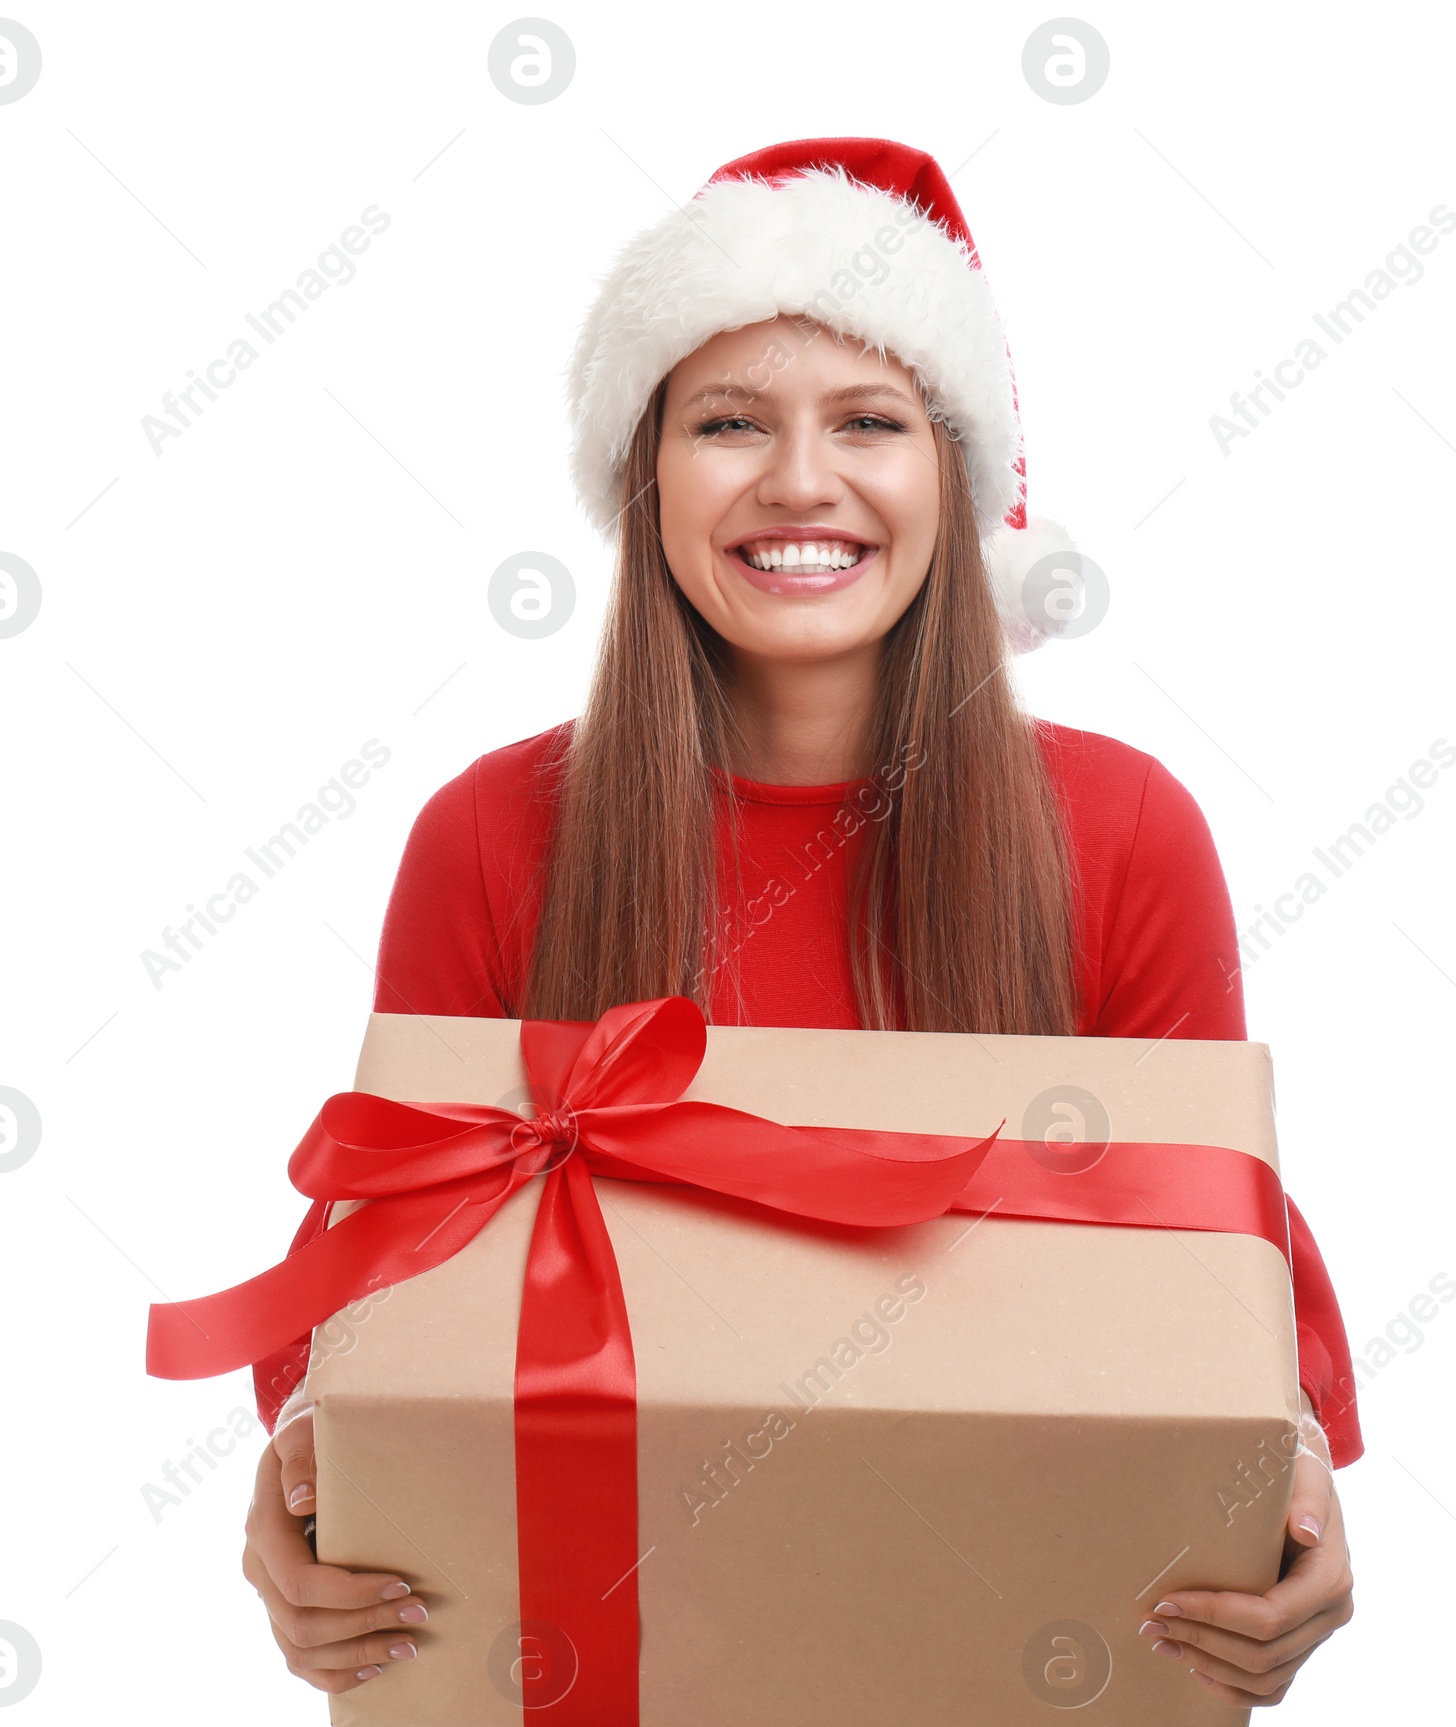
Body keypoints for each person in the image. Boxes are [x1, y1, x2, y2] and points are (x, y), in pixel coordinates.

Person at [240, 138, 1360, 1709]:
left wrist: (1293, 1481)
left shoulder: (1119, 833)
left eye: (870, 422)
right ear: (646, 471)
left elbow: (1208, 1252)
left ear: (952, 472)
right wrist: (306, 1472)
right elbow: (384, 1238)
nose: (800, 484)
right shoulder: (493, 837)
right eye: (728, 423)